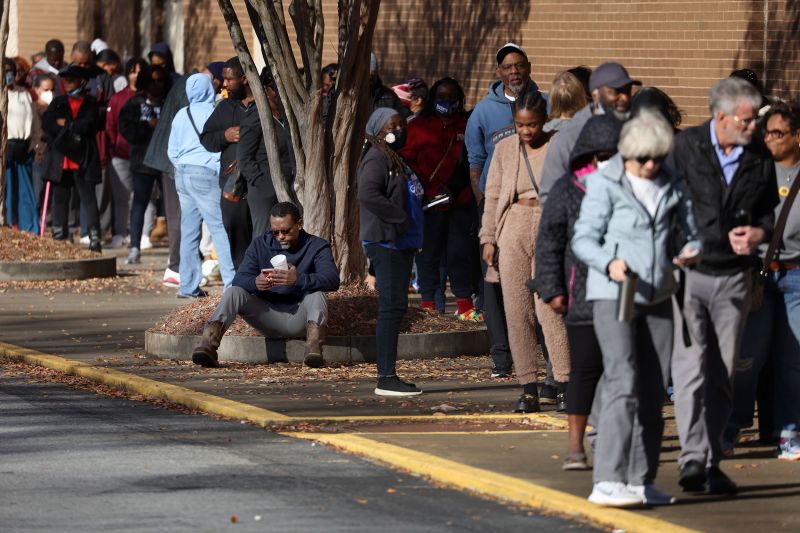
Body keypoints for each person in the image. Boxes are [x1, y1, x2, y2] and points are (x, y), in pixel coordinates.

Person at [572, 110, 702, 507]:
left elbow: (692, 231)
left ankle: (639, 480)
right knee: (622, 381)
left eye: (658, 159)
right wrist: (609, 262)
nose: (650, 166)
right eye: (643, 158)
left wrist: (690, 251)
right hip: (616, 291)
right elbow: (583, 239)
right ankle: (607, 478)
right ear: (627, 154)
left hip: (660, 292)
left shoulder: (672, 183)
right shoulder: (604, 183)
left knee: (650, 389)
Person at [671, 76, 778, 495]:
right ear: (721, 116)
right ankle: (693, 458)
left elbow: (769, 212)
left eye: (756, 122)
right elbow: (662, 202)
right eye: (747, 121)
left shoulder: (758, 157)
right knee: (690, 370)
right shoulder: (686, 148)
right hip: (690, 275)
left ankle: (711, 457)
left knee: (721, 373)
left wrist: (757, 234)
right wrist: (677, 246)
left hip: (734, 278)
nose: (754, 129)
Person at [534, 114, 622, 470]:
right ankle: (575, 446)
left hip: (626, 295)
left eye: (615, 153)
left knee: (620, 371)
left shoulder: (633, 187)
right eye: (601, 154)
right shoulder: (568, 189)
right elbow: (550, 242)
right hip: (582, 295)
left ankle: (613, 439)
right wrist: (552, 288)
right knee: (584, 370)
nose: (608, 160)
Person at [479, 91, 570, 412]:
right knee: (517, 313)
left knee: (549, 309)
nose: (526, 131)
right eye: (520, 125)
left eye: (532, 125)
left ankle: (563, 382)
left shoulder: (558, 144)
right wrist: (488, 237)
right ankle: (527, 386)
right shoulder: (505, 149)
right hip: (513, 224)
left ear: (544, 120)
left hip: (548, 224)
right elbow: (491, 196)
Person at [465, 42, 547, 380]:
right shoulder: (484, 112)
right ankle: (501, 358)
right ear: (499, 72)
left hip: (537, 210)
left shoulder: (546, 104)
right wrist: (485, 208)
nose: (514, 72)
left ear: (528, 66)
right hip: (498, 209)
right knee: (495, 287)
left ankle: (549, 359)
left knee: (540, 286)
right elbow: (475, 165)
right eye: (507, 67)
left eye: (519, 65)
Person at [723, 101, 800, 460]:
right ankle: (732, 426)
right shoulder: (755, 171)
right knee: (747, 358)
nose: (770, 139)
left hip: (796, 279)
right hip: (757, 279)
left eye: (778, 133)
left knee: (792, 360)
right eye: (767, 132)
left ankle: (789, 431)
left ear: (798, 137)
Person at [192, 202, 340, 369]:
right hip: (266, 316)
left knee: (316, 294)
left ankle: (313, 349)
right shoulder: (260, 244)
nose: (280, 236)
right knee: (234, 292)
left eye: (285, 231)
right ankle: (207, 346)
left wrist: (298, 280)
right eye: (275, 232)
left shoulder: (316, 246)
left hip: (301, 317)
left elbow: (332, 280)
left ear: (299, 224)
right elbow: (239, 280)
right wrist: (255, 282)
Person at [400, 77, 480, 321]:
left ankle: (465, 306)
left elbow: (472, 162)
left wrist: (452, 189)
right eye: (441, 97)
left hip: (460, 202)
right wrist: (426, 190)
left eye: (451, 97)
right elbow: (407, 163)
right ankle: (428, 305)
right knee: (428, 256)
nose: (447, 102)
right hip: (428, 204)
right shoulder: (416, 127)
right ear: (432, 99)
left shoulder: (468, 126)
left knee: (459, 254)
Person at [358, 107, 424, 396]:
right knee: (392, 307)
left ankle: (389, 374)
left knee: (396, 306)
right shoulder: (375, 157)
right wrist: (400, 218)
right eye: (391, 125)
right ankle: (386, 376)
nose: (398, 129)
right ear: (377, 128)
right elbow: (368, 194)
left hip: (401, 243)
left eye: (400, 124)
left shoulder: (393, 156)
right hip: (387, 242)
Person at [167, 73, 235, 297]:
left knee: (189, 232)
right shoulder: (214, 112)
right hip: (206, 175)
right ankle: (231, 285)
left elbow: (172, 152)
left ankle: (187, 286)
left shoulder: (180, 114)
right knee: (219, 228)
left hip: (182, 174)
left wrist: (184, 166)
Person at [539, 62, 640, 203]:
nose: (624, 98)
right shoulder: (568, 136)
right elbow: (549, 195)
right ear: (595, 95)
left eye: (627, 90)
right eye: (616, 91)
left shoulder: (638, 130)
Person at [200, 57, 254, 267]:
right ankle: (242, 282)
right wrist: (225, 136)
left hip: (261, 184)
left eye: (228, 80)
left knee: (261, 235)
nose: (223, 84)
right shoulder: (224, 108)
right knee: (234, 229)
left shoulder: (266, 105)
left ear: (244, 79)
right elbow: (206, 138)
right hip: (233, 187)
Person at [42, 64, 102, 251]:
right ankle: (59, 238)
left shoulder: (91, 102)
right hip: (61, 159)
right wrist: (71, 126)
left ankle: (94, 238)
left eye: (72, 80)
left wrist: (66, 123)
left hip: (83, 158)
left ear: (82, 82)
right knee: (60, 199)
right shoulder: (58, 102)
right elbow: (48, 123)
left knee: (88, 199)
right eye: (66, 80)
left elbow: (90, 124)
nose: (67, 83)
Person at [119, 65, 171, 264]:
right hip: (142, 160)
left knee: (169, 206)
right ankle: (134, 247)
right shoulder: (135, 103)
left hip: (166, 161)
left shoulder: (169, 103)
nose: (157, 84)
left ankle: (174, 251)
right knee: (139, 203)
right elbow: (125, 128)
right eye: (152, 80)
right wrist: (145, 126)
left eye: (160, 80)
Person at [237, 68, 295, 238]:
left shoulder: (289, 115)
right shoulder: (256, 116)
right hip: (264, 191)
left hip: (289, 187)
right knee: (264, 238)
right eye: (275, 88)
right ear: (265, 89)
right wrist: (263, 183)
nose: (279, 92)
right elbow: (244, 158)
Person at [105, 58, 151, 249]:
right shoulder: (118, 98)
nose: (136, 75)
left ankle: (144, 234)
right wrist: (112, 148)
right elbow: (111, 126)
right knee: (122, 196)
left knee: (145, 195)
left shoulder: (150, 97)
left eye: (140, 71)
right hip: (121, 154)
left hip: (146, 154)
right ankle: (119, 232)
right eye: (132, 71)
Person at [3, 58, 41, 233]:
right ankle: (9, 224)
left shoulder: (24, 94)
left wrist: (34, 144)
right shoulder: (3, 95)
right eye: (6, 70)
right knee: (8, 189)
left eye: (12, 70)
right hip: (6, 148)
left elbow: (34, 122)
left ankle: (29, 226)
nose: (11, 74)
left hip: (24, 146)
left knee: (26, 191)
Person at [368, 53, 406, 118]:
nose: (369, 80)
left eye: (372, 76)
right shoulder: (351, 96)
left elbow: (403, 119)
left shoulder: (389, 97)